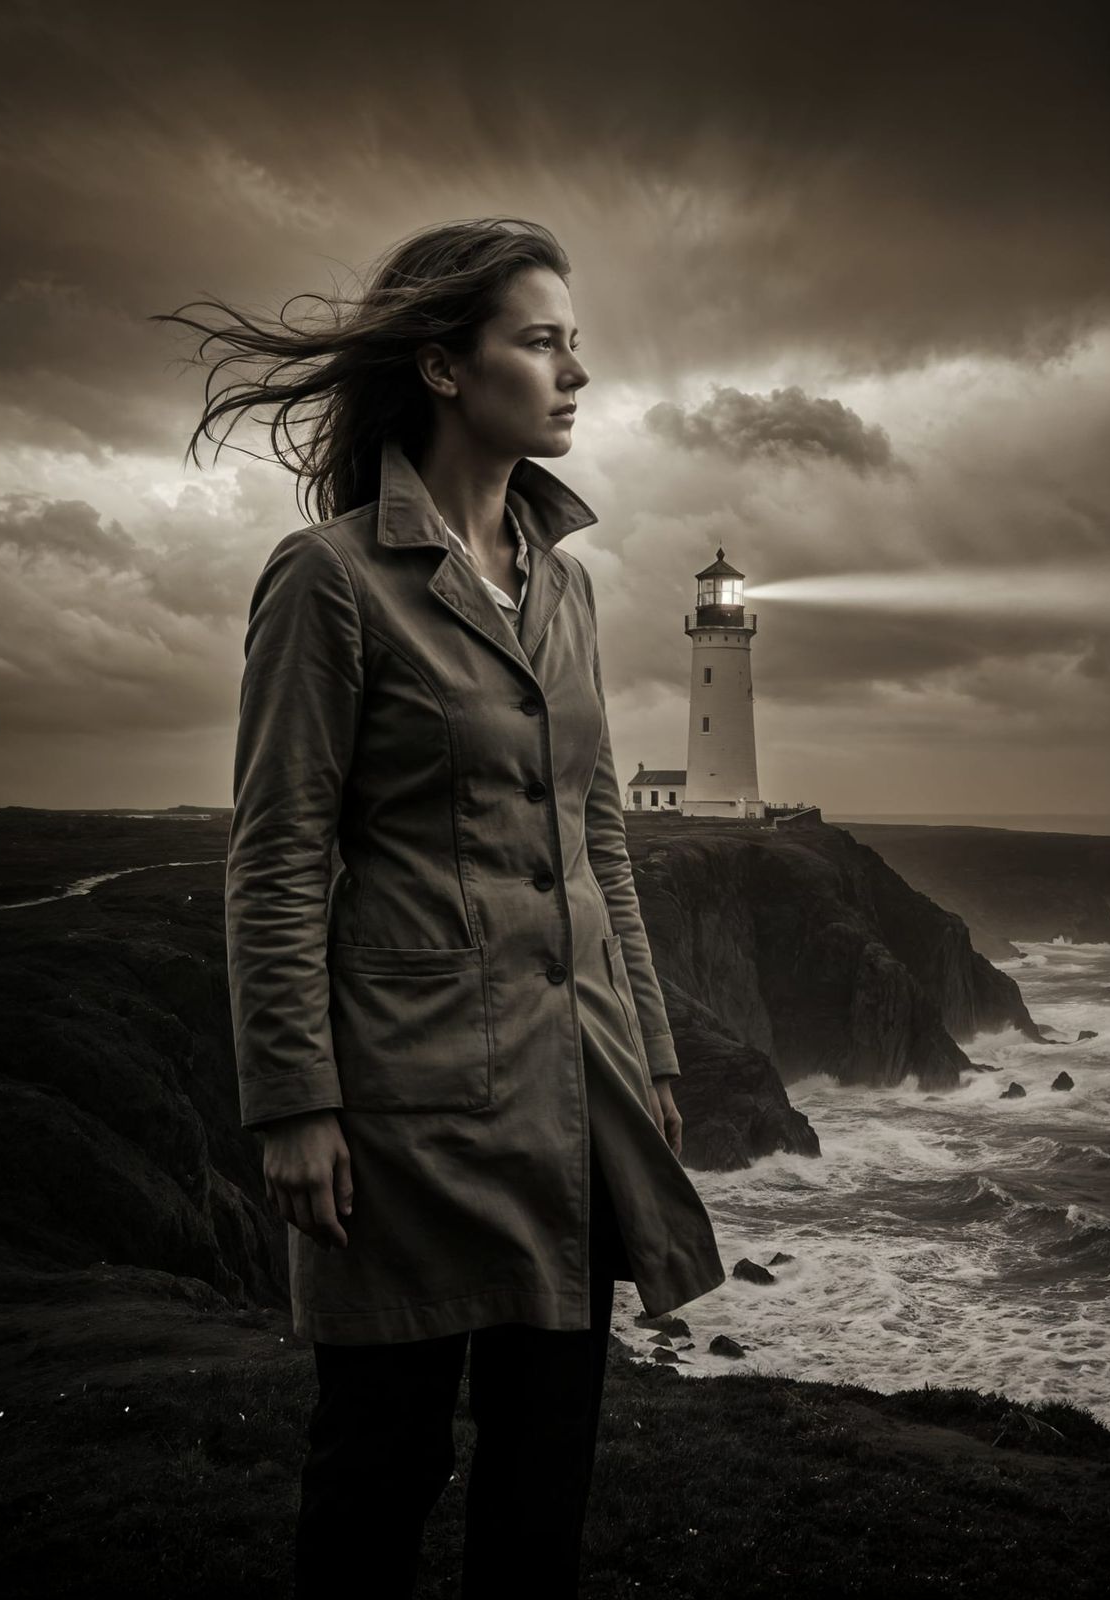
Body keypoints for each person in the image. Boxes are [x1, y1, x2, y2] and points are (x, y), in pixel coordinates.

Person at [154, 218, 727, 1597]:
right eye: (541, 340)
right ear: (444, 368)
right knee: (378, 1477)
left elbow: (599, 844)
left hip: (571, 1102)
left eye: (574, 340)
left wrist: (647, 1055)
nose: (576, 371)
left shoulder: (573, 590)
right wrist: (293, 1103)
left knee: (544, 1493)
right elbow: (278, 856)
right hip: (406, 1116)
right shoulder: (332, 580)